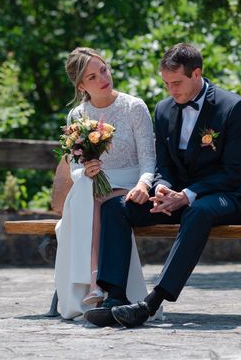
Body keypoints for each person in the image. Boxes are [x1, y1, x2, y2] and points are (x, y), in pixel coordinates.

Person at [84, 43, 241, 328]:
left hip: (232, 196)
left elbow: (234, 171)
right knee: (117, 207)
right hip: (178, 196)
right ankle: (114, 298)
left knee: (200, 210)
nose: (172, 90)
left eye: (177, 83)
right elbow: (164, 163)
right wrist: (161, 188)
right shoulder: (164, 109)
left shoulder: (233, 107)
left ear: (197, 73)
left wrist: (187, 195)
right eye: (166, 84)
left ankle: (150, 303)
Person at [54, 47, 154, 320]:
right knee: (88, 195)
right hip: (95, 185)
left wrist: (143, 185)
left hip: (130, 184)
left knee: (98, 201)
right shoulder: (77, 116)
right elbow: (74, 167)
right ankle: (91, 286)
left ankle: (95, 282)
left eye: (103, 70)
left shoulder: (134, 107)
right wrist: (87, 170)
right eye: (92, 77)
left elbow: (149, 162)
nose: (102, 78)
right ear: (82, 86)